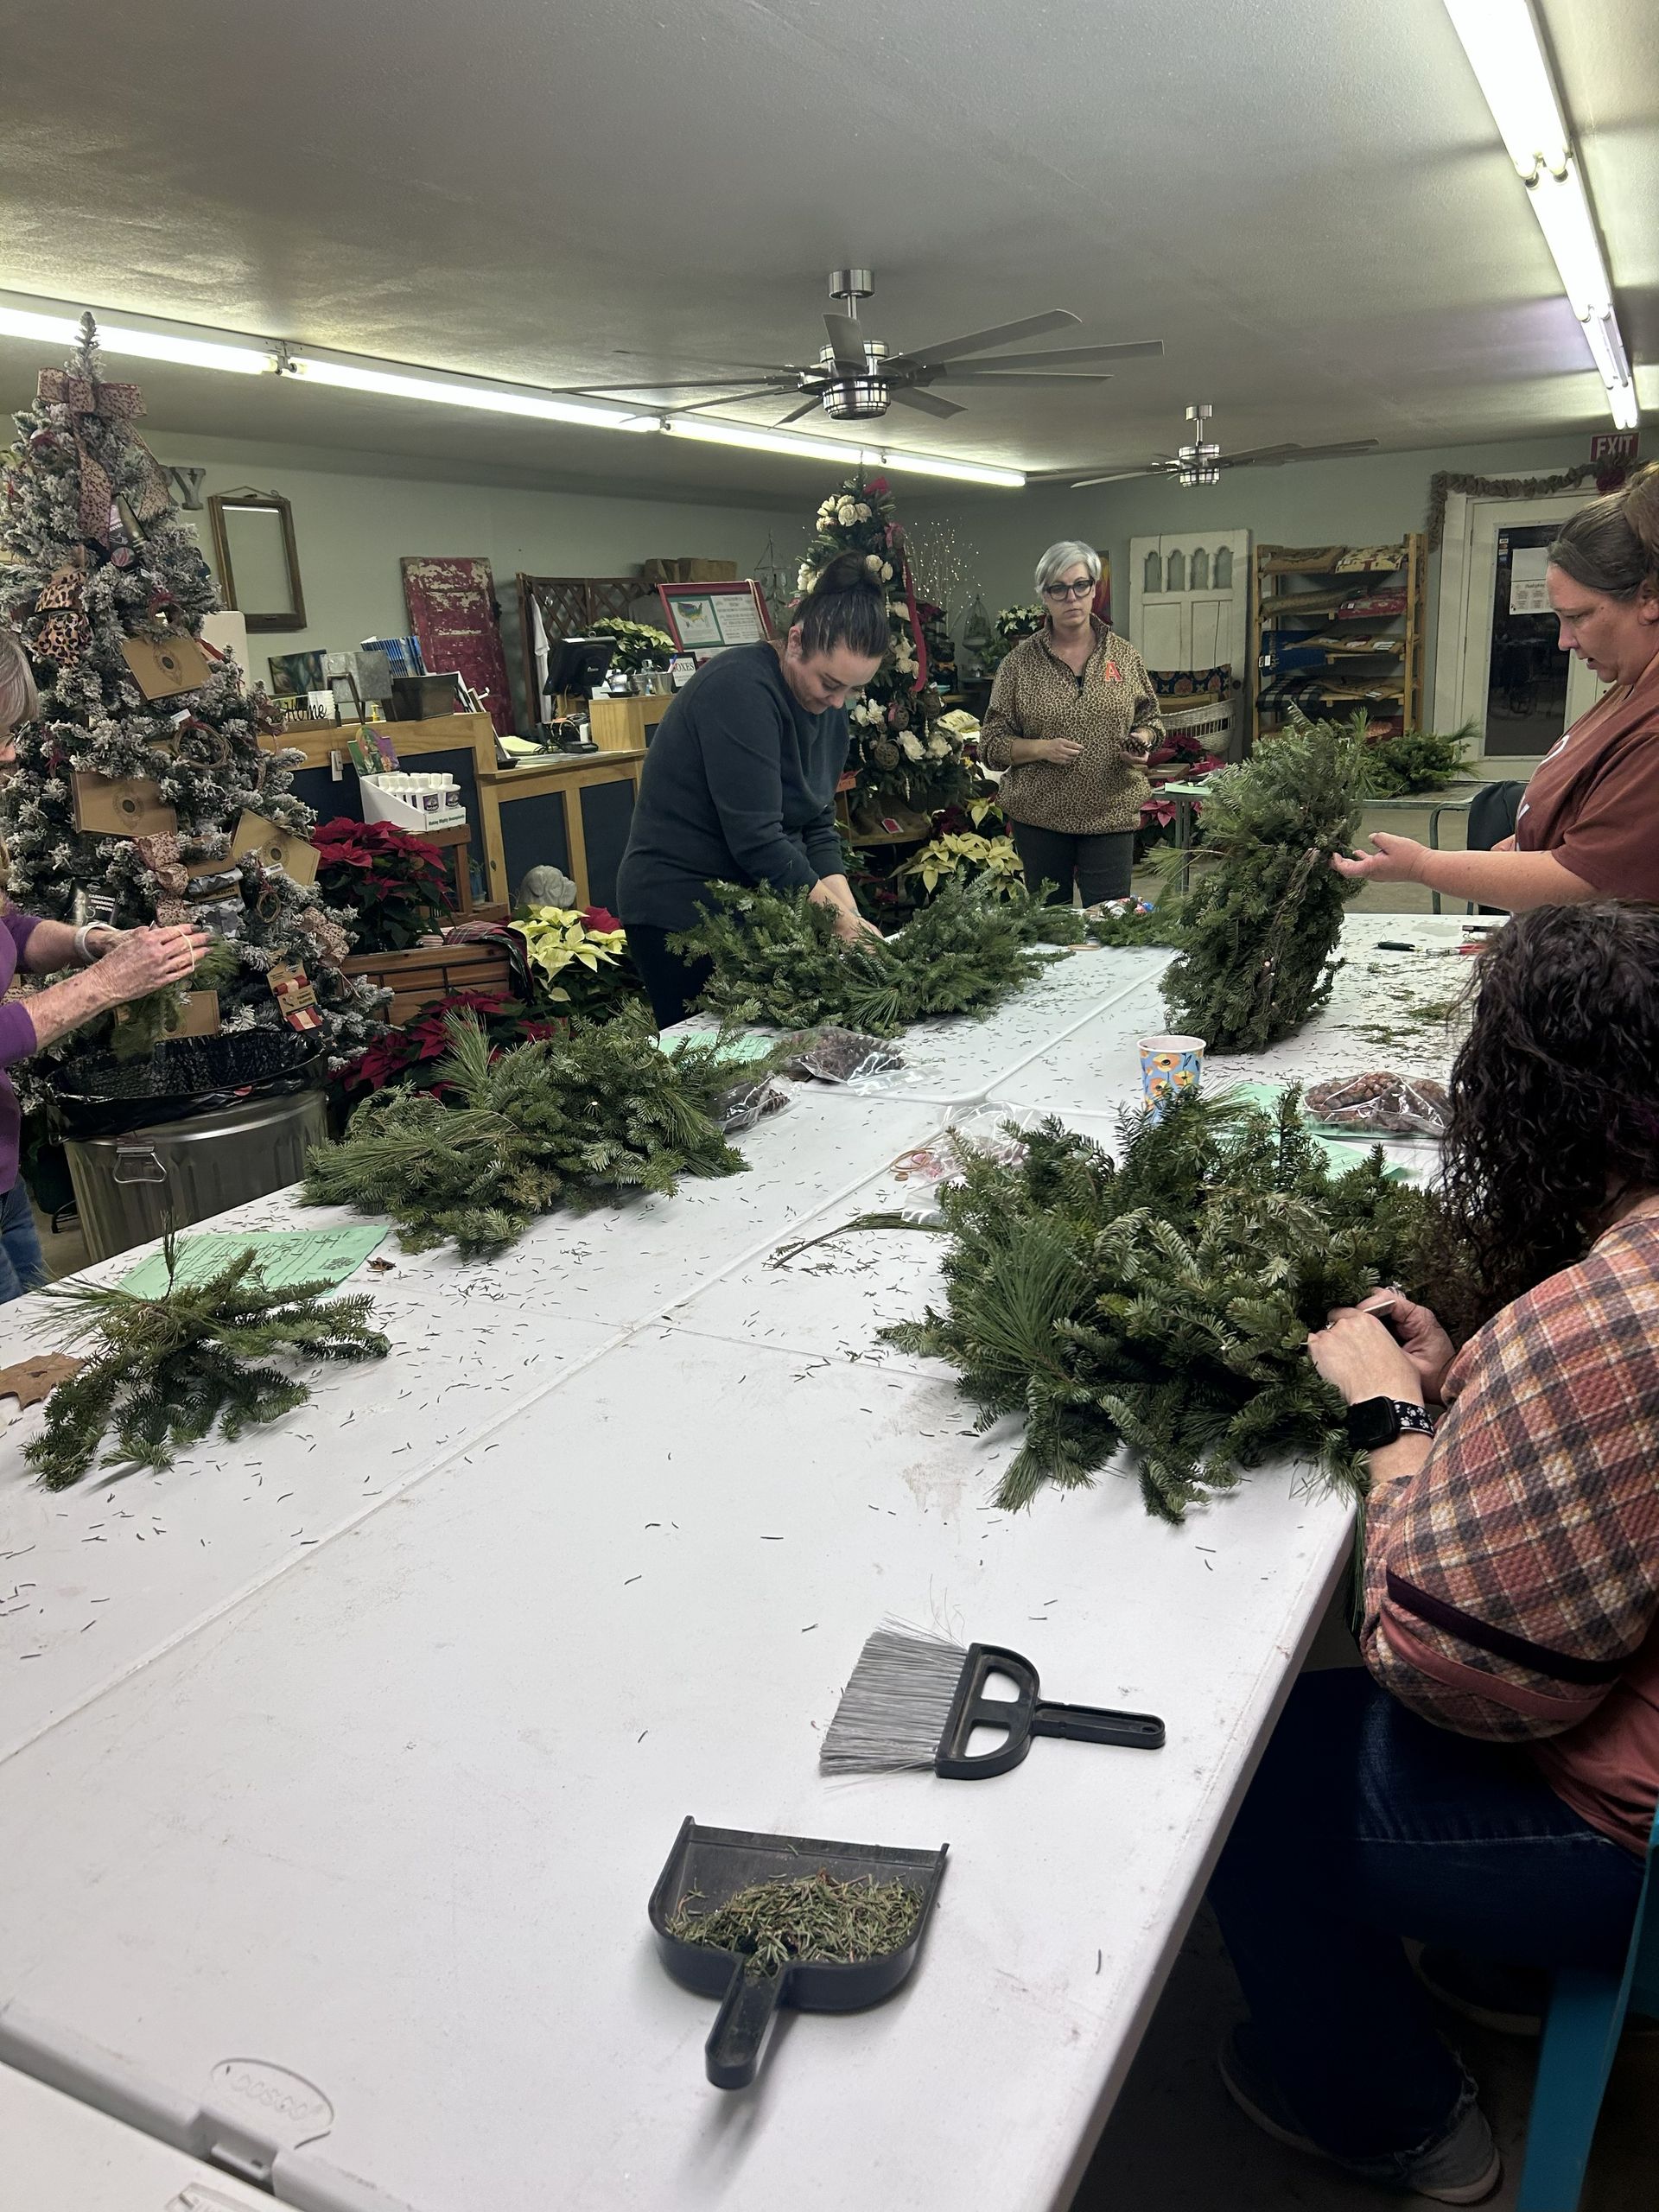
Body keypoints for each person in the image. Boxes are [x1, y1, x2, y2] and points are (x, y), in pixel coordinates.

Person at [1207, 900, 1659, 2202]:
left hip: (1622, 1839)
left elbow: (1451, 1675)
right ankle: (1508, 1968)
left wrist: (1392, 1423)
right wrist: (1479, 1386)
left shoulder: (1607, 1317)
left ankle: (1400, 2121)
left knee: (1241, 1795)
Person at [1335, 465, 1659, 909]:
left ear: (1648, 598)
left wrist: (1422, 866)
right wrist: (1530, 838)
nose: (1564, 641)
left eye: (1578, 616)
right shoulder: (1631, 683)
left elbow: (1586, 882)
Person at [617, 550, 887, 1028]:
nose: (837, 702)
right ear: (795, 641)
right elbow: (758, 839)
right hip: (682, 914)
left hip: (758, 907)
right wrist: (840, 925)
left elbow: (817, 825)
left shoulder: (826, 706)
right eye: (830, 683)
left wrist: (852, 921)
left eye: (852, 691)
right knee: (714, 1063)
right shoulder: (738, 689)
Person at [0, 912, 208, 1299]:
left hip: (5, 1179)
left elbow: (8, 930)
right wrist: (106, 982)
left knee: (30, 1315)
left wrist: (93, 941)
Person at [978, 539, 1162, 906]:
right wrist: (1041, 749)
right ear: (1044, 596)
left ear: (1094, 589)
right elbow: (991, 744)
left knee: (1110, 924)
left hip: (1110, 814)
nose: (1071, 598)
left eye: (1080, 585)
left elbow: (1151, 719)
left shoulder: (1124, 656)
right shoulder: (1019, 664)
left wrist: (1142, 740)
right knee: (1050, 928)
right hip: (1040, 817)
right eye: (1058, 589)